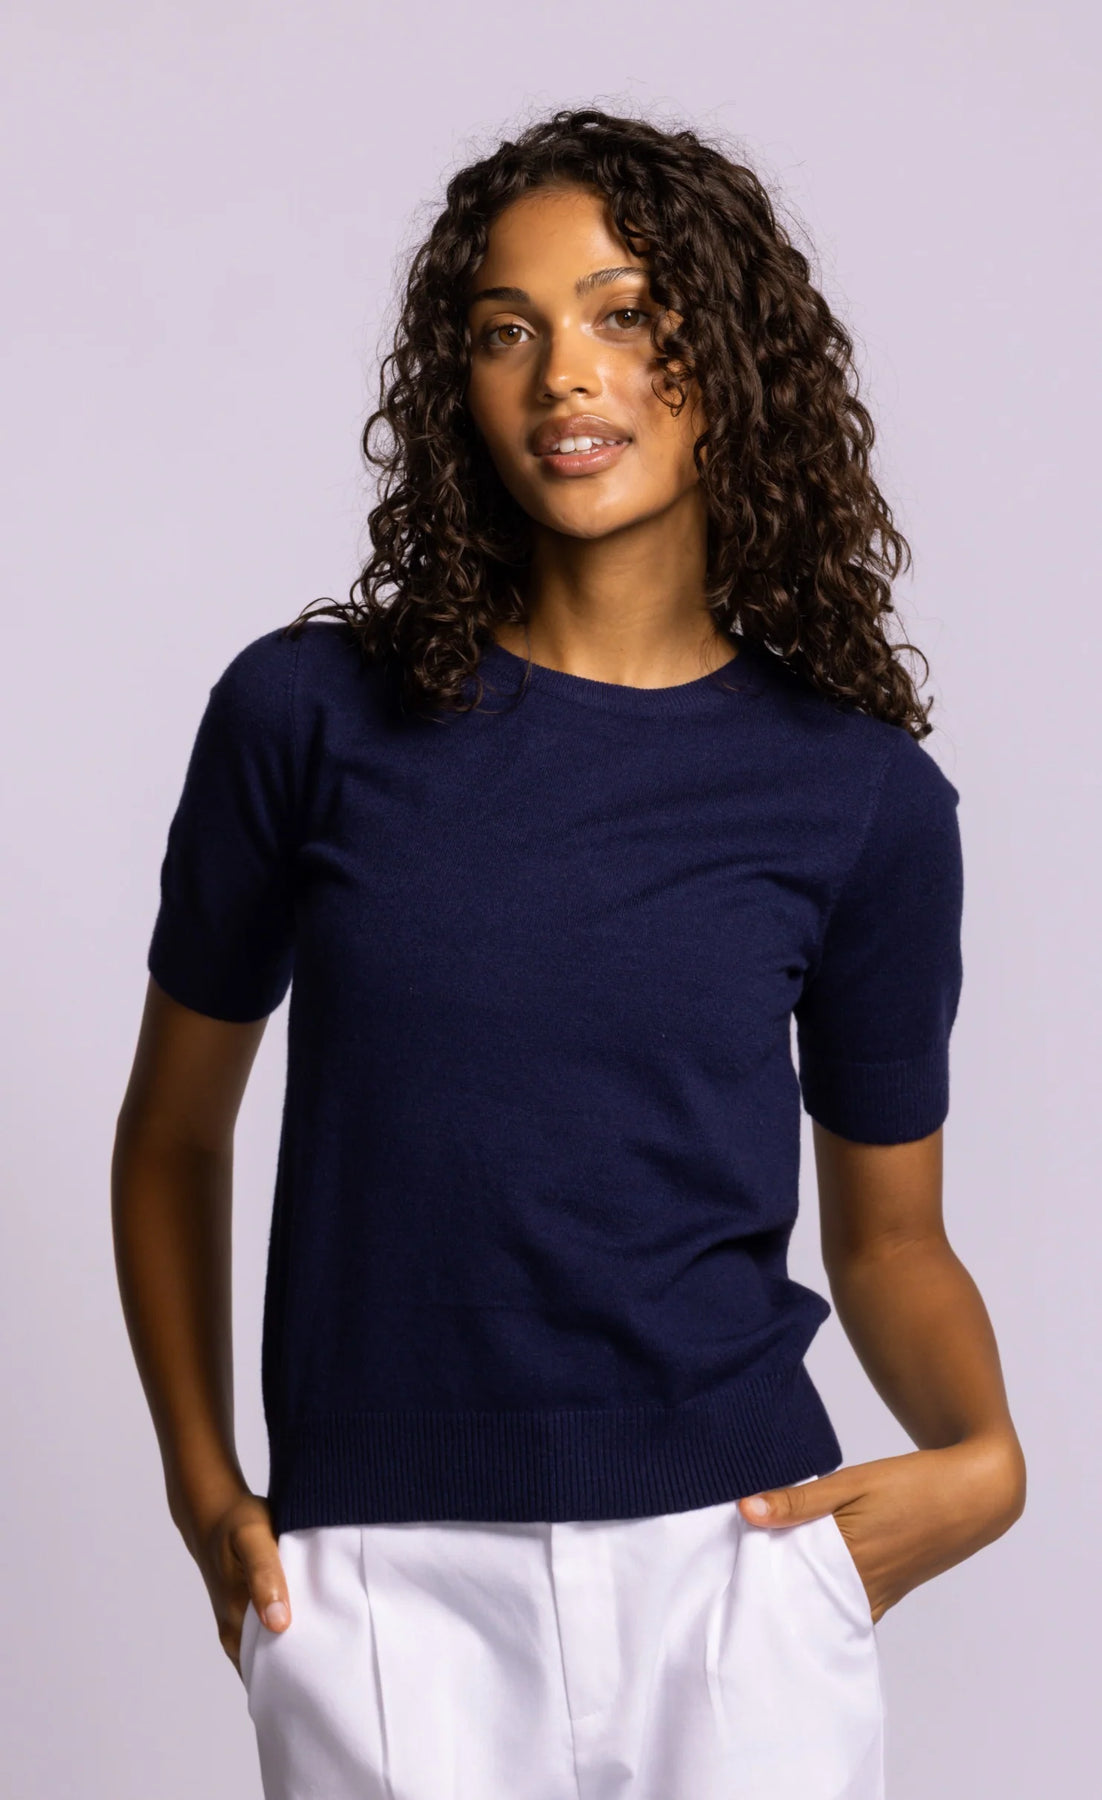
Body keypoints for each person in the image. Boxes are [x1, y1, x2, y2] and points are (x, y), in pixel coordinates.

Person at [112, 106, 1026, 1800]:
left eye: (624, 314)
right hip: (377, 1581)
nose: (562, 376)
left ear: (728, 359)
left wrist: (986, 1461)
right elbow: (172, 1133)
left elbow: (892, 1239)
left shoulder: (860, 799)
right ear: (455, 383)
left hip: (735, 1572)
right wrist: (199, 1482)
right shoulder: (306, 718)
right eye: (504, 330)